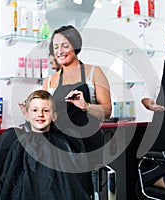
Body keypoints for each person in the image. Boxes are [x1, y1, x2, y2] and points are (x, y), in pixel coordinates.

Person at [0, 90, 91, 200]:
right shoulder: (20, 143)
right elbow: (10, 181)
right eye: (35, 110)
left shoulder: (62, 143)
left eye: (46, 110)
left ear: (54, 116)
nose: (40, 114)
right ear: (27, 115)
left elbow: (71, 184)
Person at [42, 25, 112, 165]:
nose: (60, 51)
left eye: (65, 46)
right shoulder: (50, 81)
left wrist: (86, 106)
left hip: (87, 143)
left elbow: (107, 111)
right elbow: (44, 112)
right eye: (56, 47)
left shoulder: (94, 72)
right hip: (59, 144)